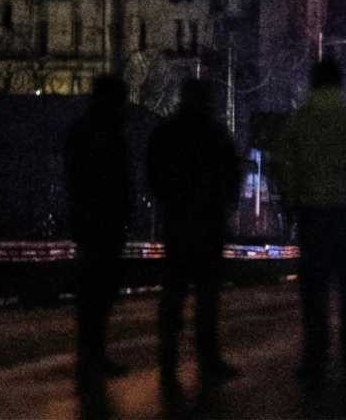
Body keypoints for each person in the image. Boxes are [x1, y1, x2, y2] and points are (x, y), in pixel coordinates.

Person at [267, 59, 346, 381]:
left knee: (315, 292)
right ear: (339, 84)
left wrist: (291, 202)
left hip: (312, 217)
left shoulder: (299, 123)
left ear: (312, 84)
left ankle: (315, 358)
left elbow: (282, 165)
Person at [144, 77, 244, 390]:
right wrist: (221, 206)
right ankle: (208, 360)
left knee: (173, 296)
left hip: (177, 224)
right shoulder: (215, 135)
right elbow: (232, 176)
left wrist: (172, 199)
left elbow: (154, 174)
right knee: (206, 299)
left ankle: (168, 362)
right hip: (209, 226)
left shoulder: (167, 133)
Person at [65, 74, 136, 401]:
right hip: (104, 224)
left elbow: (75, 181)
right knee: (100, 292)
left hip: (89, 223)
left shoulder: (82, 131)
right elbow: (120, 181)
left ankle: (89, 354)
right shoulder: (110, 134)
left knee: (91, 293)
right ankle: (93, 354)